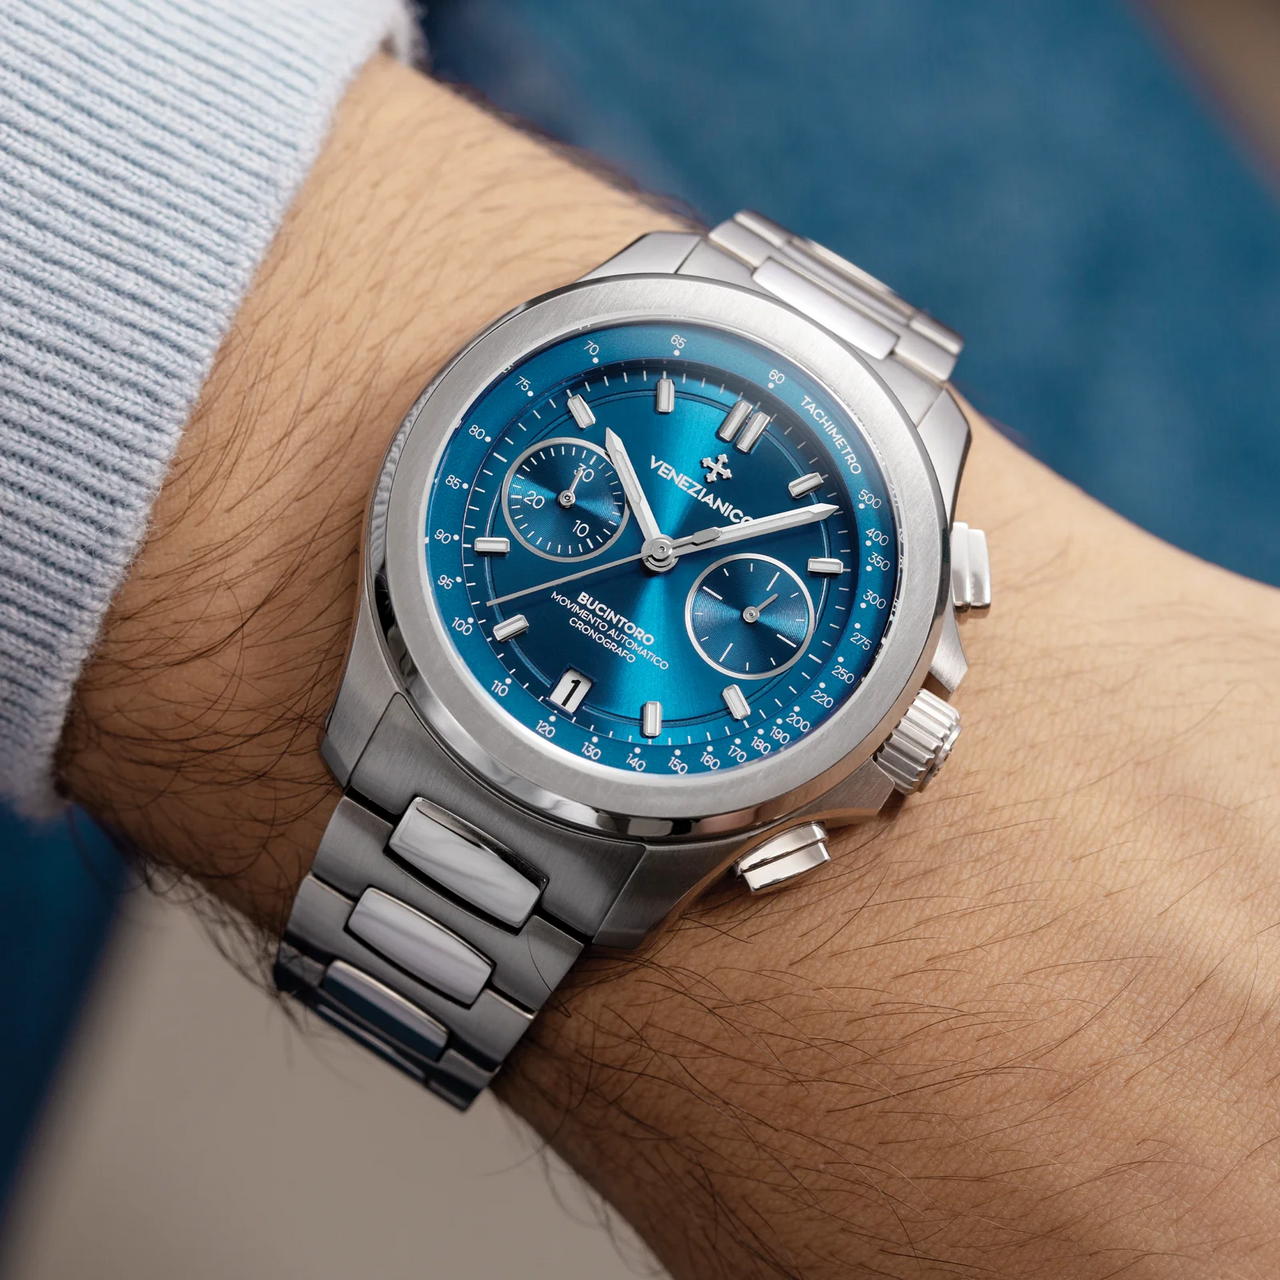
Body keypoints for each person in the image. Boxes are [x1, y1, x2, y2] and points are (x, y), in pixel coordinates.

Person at [4, 3, 1280, 1276]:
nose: (662, 555)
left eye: (745, 609)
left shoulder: (836, 712)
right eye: (636, 517)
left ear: (906, 712)